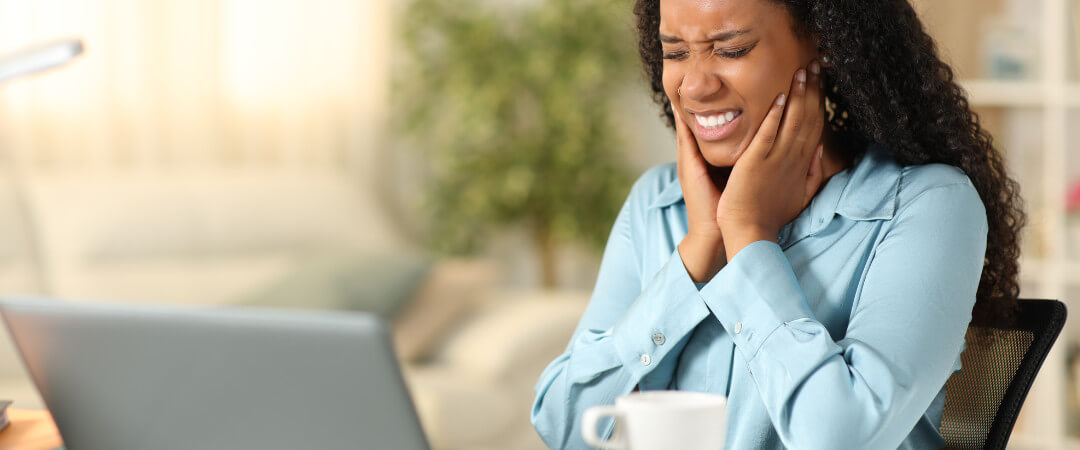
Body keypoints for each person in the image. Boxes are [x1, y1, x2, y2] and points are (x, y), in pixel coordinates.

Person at [530, 0, 1025, 448]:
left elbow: (841, 438)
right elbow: (563, 424)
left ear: (825, 42)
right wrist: (699, 251)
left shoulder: (925, 207)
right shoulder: (657, 206)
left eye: (733, 49)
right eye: (676, 53)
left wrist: (747, 236)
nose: (696, 85)